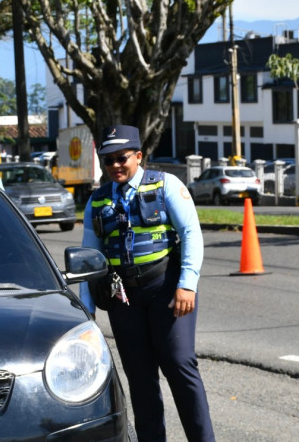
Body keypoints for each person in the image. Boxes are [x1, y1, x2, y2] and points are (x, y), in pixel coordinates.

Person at [79, 125, 214, 442]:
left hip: (166, 290)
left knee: (180, 365)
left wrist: (187, 284)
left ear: (138, 156)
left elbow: (191, 234)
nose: (115, 165)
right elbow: (89, 258)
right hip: (123, 298)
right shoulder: (97, 201)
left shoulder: (167, 185)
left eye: (121, 158)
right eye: (108, 159)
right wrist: (87, 310)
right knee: (140, 380)